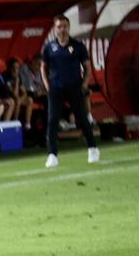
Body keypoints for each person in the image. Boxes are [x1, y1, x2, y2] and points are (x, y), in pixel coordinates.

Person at [41, 14, 99, 168]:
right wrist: (47, 85)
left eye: (65, 26)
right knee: (52, 120)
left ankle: (92, 148)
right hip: (55, 88)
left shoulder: (78, 46)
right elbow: (43, 67)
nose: (62, 29)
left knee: (82, 118)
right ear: (55, 29)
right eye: (59, 27)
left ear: (69, 28)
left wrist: (85, 84)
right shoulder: (49, 47)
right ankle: (52, 154)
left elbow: (87, 67)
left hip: (74, 87)